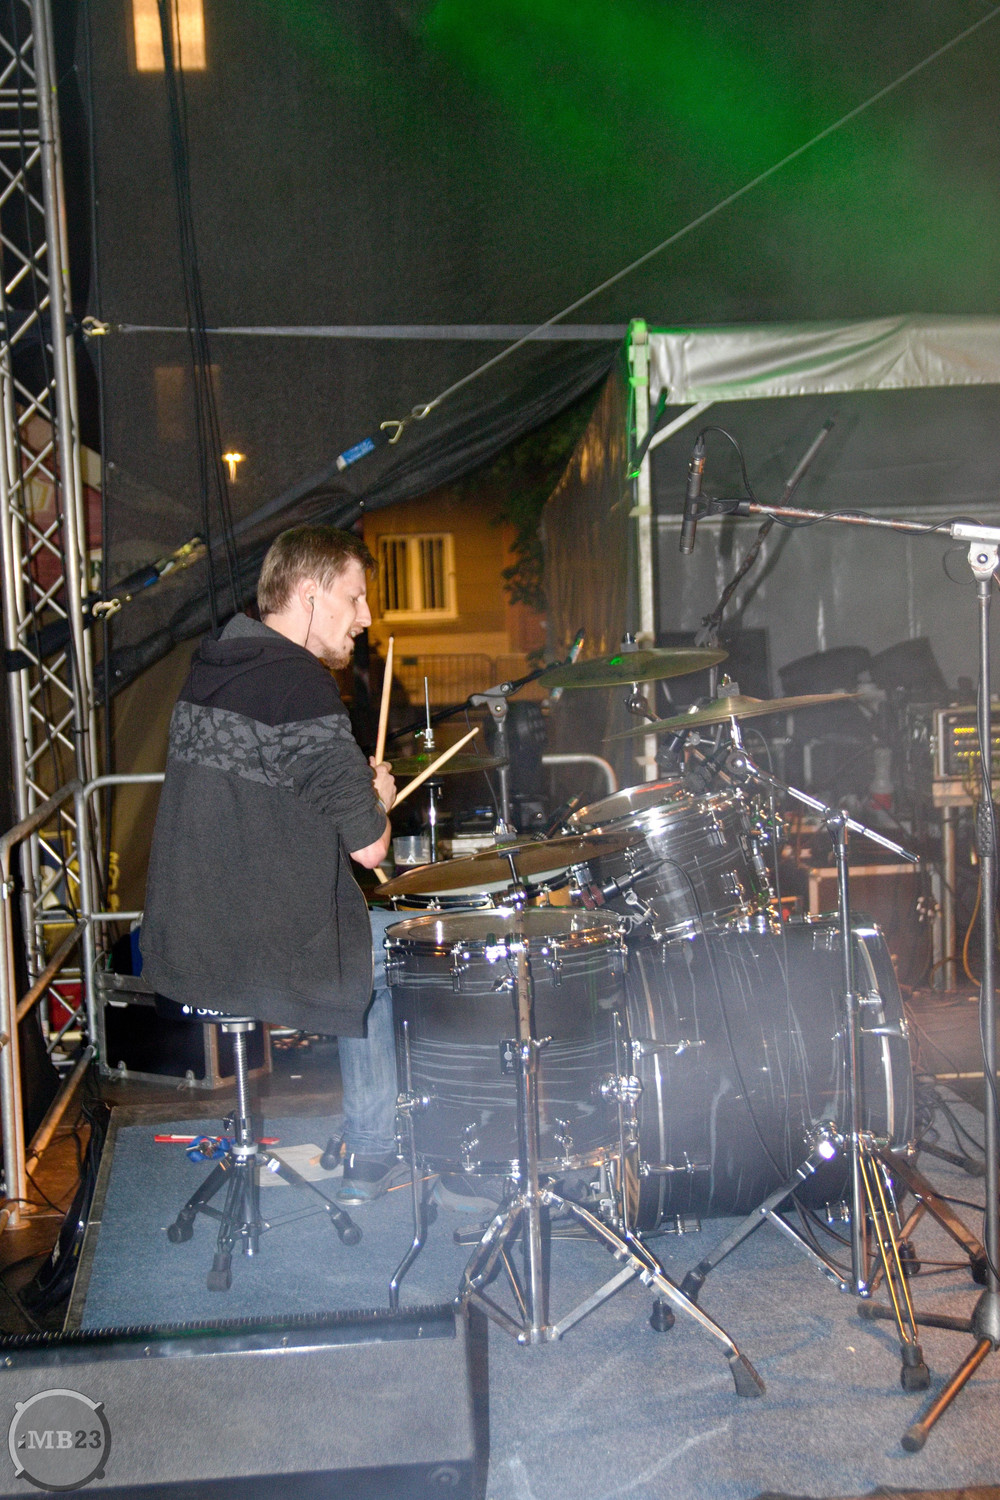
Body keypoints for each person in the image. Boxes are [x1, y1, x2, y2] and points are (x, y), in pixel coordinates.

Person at [140, 524, 404, 1203]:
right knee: (399, 953)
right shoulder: (300, 686)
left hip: (181, 937)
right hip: (252, 945)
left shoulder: (214, 666)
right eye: (355, 598)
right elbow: (370, 848)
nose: (365, 618)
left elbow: (265, 795)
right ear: (310, 594)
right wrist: (377, 797)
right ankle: (374, 1148)